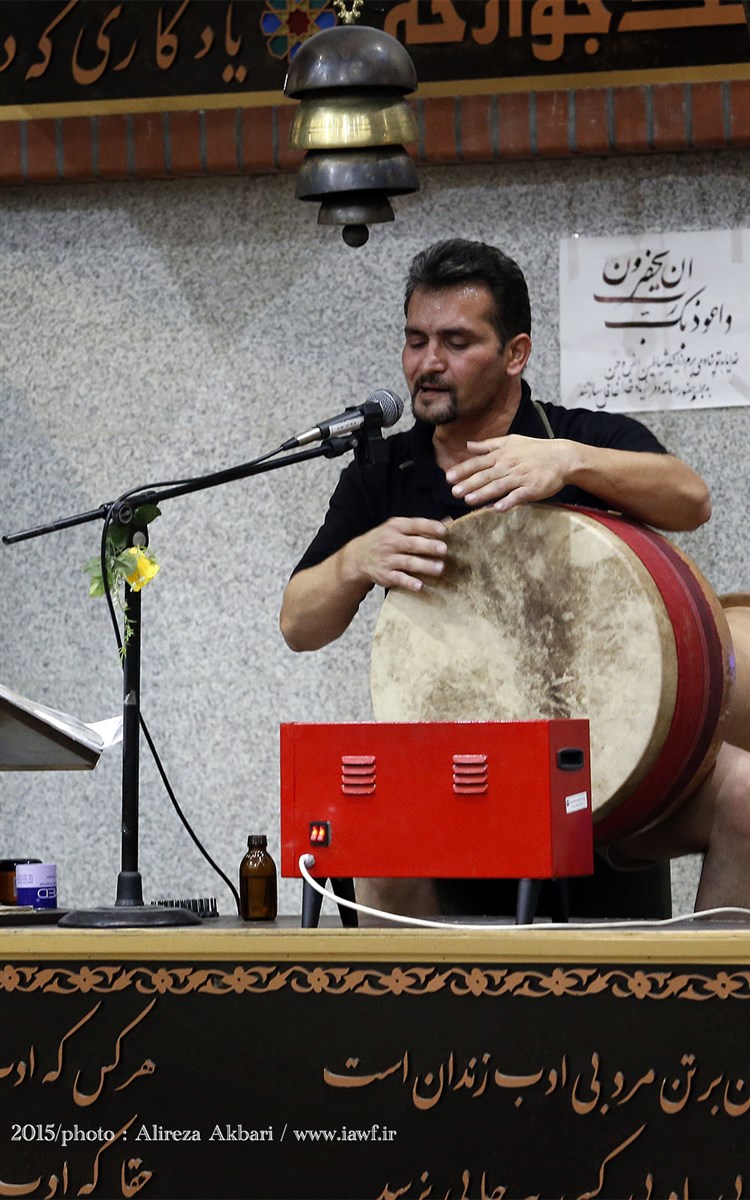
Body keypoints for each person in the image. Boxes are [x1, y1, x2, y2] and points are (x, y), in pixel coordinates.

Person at [280, 238, 750, 918]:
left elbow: (691, 500)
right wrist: (354, 562)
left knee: (745, 794)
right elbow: (298, 625)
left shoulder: (573, 436)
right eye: (415, 340)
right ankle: (416, 991)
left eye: (456, 342)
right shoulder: (382, 473)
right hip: (455, 774)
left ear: (515, 353)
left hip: (613, 767)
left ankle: (706, 987)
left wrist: (571, 461)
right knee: (375, 830)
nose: (428, 363)